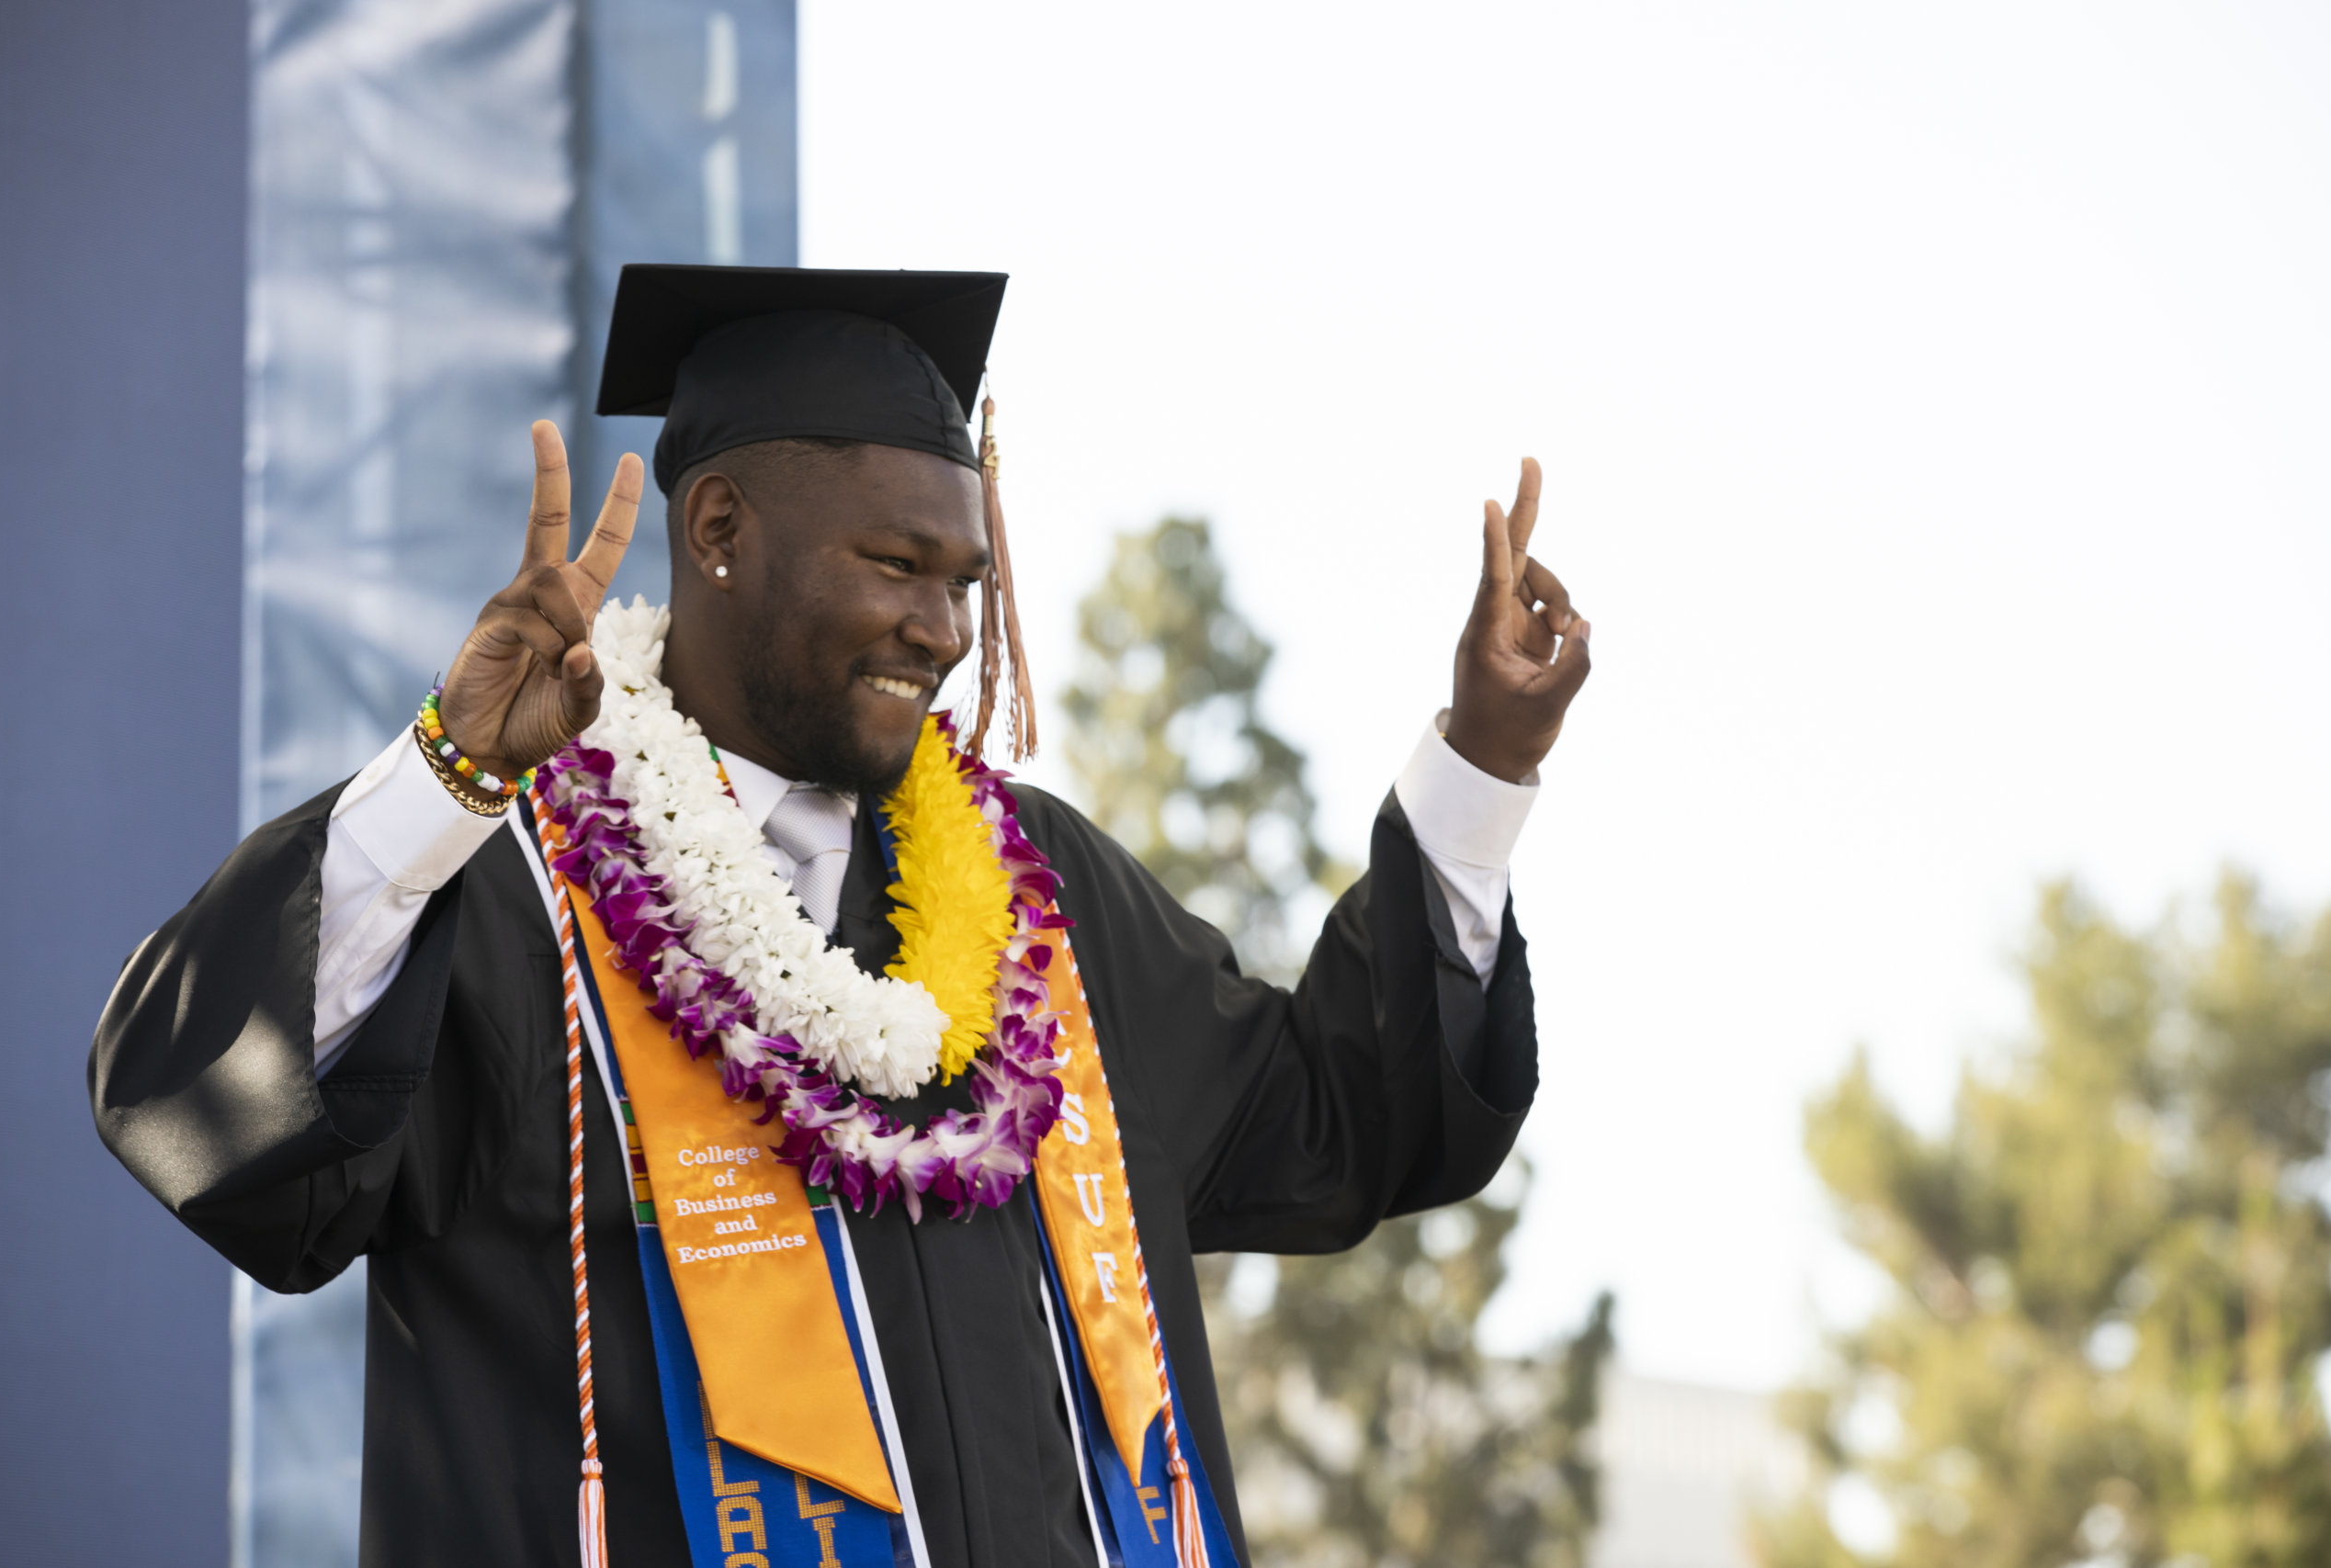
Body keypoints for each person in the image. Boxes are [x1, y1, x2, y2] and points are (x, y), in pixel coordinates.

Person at [92, 265, 1592, 1568]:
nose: (942, 630)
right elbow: (203, 1112)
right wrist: (445, 782)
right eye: (895, 566)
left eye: (963, 582)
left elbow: (1343, 1116)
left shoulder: (1039, 907)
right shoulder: (510, 897)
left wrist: (1480, 767)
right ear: (723, 526)